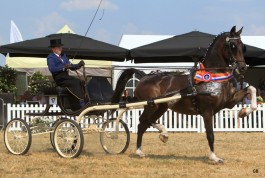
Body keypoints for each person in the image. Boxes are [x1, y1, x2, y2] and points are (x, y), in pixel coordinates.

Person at [47, 38, 86, 107]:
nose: (61, 49)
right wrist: (63, 67)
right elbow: (52, 69)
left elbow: (71, 66)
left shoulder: (63, 56)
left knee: (81, 82)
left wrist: (79, 65)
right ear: (53, 49)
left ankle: (85, 99)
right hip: (59, 78)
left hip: (66, 77)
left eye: (61, 47)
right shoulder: (51, 57)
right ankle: (80, 101)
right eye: (58, 47)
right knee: (75, 82)